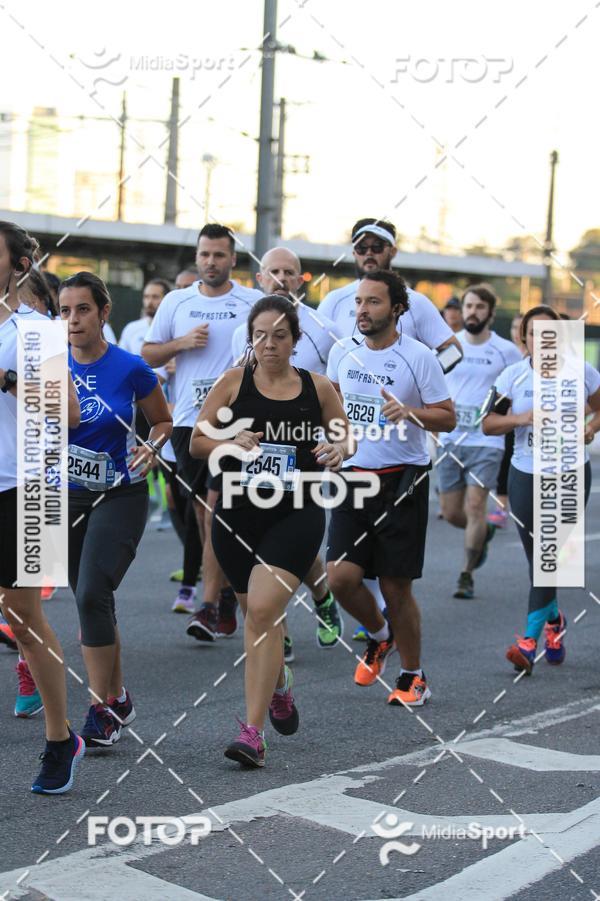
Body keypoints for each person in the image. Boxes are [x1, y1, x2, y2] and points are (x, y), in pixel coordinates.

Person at [191, 295, 352, 767]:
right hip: (237, 515)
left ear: (295, 340)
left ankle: (252, 734)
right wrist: (228, 439)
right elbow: (198, 441)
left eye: (280, 335)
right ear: (250, 338)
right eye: (260, 335)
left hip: (296, 513)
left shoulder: (317, 387)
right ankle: (279, 685)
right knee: (257, 620)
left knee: (262, 612)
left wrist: (338, 450)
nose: (269, 344)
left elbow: (345, 436)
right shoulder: (232, 381)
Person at [322, 218, 461, 637]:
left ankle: (396, 644)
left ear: (391, 252)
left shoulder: (416, 305)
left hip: (403, 456)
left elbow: (451, 351)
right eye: (360, 247)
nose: (368, 253)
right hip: (353, 460)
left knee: (394, 580)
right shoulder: (336, 301)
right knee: (343, 570)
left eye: (376, 247)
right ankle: (377, 628)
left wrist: (416, 390)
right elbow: (327, 369)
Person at [59, 272, 172, 746]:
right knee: (93, 600)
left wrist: (153, 446)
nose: (73, 320)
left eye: (83, 309)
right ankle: (118, 697)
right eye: (65, 311)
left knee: (92, 593)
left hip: (120, 494)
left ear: (104, 313)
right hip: (67, 495)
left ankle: (100, 709)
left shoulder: (131, 367)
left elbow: (163, 421)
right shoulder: (50, 365)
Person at [142, 224, 262, 628]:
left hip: (234, 421)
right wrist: (181, 344)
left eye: (219, 255)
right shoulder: (176, 301)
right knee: (201, 510)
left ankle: (210, 604)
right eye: (205, 254)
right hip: (188, 421)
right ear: (197, 257)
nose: (211, 262)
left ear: (233, 259)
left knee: (215, 508)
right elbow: (148, 355)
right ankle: (225, 591)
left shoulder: (251, 301)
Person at [0, 220, 84, 793]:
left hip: (29, 486)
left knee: (25, 619)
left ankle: (60, 738)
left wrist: (6, 379)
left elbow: (68, 412)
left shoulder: (36, 331)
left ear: (19, 265)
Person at [231, 247, 344, 655]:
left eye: (288, 272)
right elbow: (234, 390)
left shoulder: (324, 329)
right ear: (260, 278)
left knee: (293, 542)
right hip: (254, 453)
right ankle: (278, 630)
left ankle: (322, 597)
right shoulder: (245, 329)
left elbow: (339, 387)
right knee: (257, 543)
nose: (280, 278)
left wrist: (335, 439)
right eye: (272, 271)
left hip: (303, 451)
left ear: (301, 280)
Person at [482, 305, 600, 674]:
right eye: (534, 333)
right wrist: (521, 417)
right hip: (525, 472)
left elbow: (599, 409)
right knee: (540, 560)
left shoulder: (582, 372)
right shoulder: (513, 376)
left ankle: (529, 642)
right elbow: (488, 423)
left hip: (569, 472)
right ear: (525, 338)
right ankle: (554, 621)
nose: (542, 339)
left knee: (550, 557)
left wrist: (591, 428)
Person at [437, 285, 522, 599]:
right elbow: (432, 381)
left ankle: (466, 575)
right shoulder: (450, 345)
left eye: (479, 307)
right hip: (450, 438)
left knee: (475, 505)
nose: (473, 312)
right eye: (469, 306)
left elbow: (517, 387)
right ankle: (483, 531)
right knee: (451, 512)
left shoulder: (505, 351)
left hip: (486, 440)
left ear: (490, 313)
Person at [119, 278, 171, 357]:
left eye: (155, 297)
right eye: (146, 297)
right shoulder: (131, 328)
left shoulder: (175, 330)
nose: (149, 302)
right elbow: (121, 359)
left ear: (167, 299)